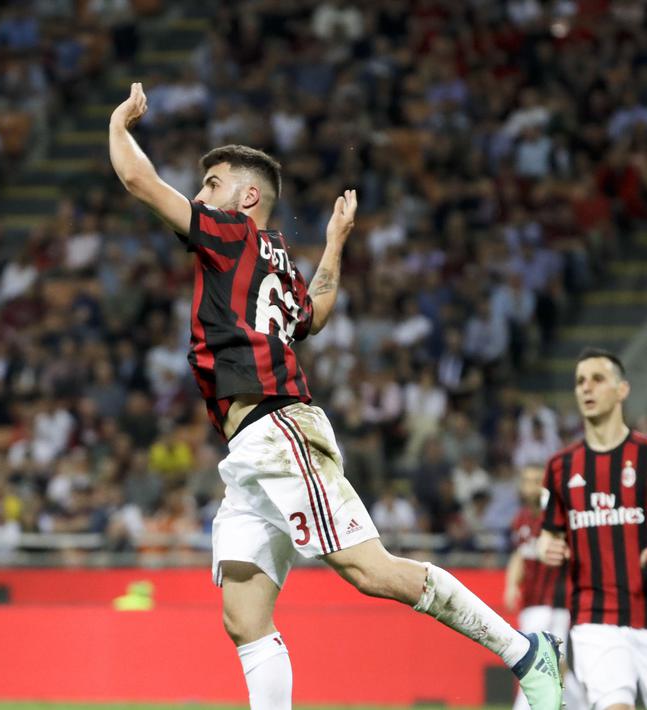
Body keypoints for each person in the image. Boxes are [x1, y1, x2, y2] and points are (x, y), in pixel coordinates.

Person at [107, 82, 562, 710]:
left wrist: (119, 122)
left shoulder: (230, 235)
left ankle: (524, 652)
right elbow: (314, 313)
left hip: (278, 428)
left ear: (247, 197)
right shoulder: (277, 261)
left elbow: (136, 179)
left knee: (370, 570)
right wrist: (336, 243)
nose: (200, 194)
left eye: (211, 184)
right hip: (251, 450)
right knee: (243, 614)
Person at [540, 348, 647, 710]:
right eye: (580, 382)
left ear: (622, 390)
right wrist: (547, 547)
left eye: (598, 379)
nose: (587, 388)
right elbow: (547, 535)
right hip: (595, 617)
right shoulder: (560, 466)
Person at [505, 466, 584, 710]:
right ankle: (586, 703)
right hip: (531, 601)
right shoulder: (520, 519)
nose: (532, 485)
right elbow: (519, 554)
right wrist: (511, 585)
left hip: (556, 601)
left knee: (532, 656)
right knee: (555, 663)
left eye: (537, 480)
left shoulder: (560, 518)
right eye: (527, 480)